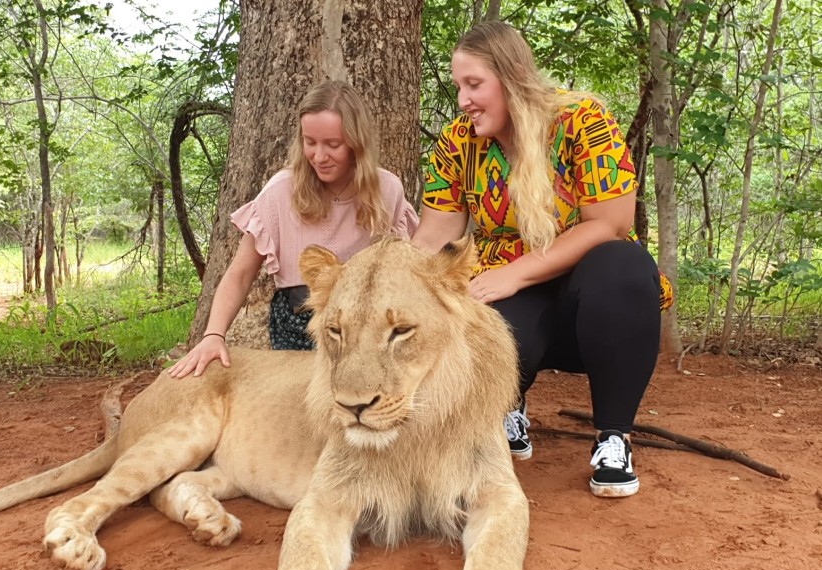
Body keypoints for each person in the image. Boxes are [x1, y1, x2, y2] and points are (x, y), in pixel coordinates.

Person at [412, 21, 673, 498]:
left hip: (589, 297)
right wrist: (387, 280)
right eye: (458, 87)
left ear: (511, 78)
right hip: (514, 295)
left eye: (474, 85)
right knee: (476, 307)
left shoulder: (582, 118)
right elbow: (433, 235)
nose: (463, 100)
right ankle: (505, 406)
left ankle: (614, 437)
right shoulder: (456, 141)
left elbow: (610, 223)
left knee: (624, 265)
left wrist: (514, 273)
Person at [169, 80, 418, 378]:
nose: (319, 156)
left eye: (333, 144)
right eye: (309, 142)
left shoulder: (387, 190)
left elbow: (408, 271)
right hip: (297, 325)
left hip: (367, 328)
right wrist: (213, 335)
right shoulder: (280, 192)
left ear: (356, 142)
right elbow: (240, 273)